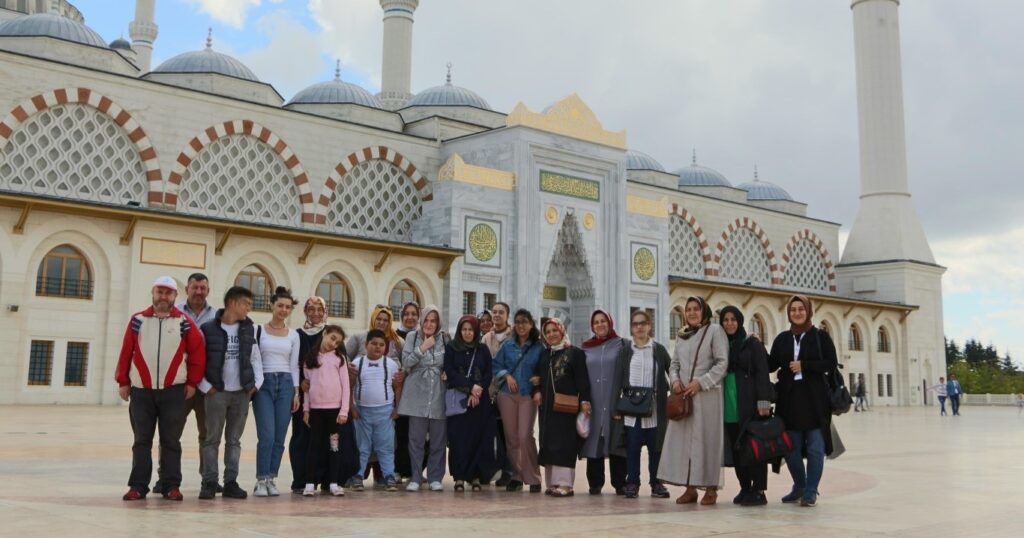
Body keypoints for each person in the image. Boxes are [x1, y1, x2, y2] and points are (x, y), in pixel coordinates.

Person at [116, 276, 206, 501]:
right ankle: (138, 486)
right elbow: (127, 351)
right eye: (160, 292)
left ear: (176, 296)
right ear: (153, 294)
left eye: (168, 293)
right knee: (141, 441)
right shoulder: (137, 320)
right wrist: (123, 381)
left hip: (173, 392)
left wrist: (192, 382)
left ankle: (171, 486)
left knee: (171, 442)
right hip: (141, 391)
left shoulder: (184, 323)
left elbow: (197, 353)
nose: (163, 297)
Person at [768, 295, 838, 508]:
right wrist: (752, 344)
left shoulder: (820, 337)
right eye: (793, 310)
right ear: (789, 313)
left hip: (815, 402)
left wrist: (804, 365)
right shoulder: (782, 339)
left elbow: (831, 363)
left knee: (816, 448)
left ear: (808, 311)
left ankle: (810, 490)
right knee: (791, 447)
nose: (797, 313)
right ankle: (799, 485)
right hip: (789, 402)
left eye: (801, 309)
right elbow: (771, 364)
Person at [660, 296, 728, 506]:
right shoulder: (682, 335)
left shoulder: (715, 331)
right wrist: (675, 382)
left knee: (707, 442)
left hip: (707, 397)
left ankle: (710, 488)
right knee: (685, 445)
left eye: (695, 309)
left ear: (703, 311)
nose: (691, 313)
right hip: (684, 397)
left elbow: (721, 363)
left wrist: (701, 382)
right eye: (688, 309)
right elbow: (674, 364)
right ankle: (690, 489)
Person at [153, 272, 216, 496]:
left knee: (208, 435)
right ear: (186, 289)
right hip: (179, 384)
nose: (199, 292)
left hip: (207, 386)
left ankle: (208, 478)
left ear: (208, 290)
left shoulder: (217, 316)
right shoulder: (173, 312)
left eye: (203, 288)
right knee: (170, 433)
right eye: (195, 287)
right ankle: (164, 477)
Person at [198, 286, 263, 500]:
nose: (248, 309)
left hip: (241, 394)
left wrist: (255, 385)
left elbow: (255, 358)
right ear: (233, 303)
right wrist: (206, 387)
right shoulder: (208, 329)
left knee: (234, 441)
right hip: (217, 393)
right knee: (211, 440)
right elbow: (198, 361)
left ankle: (230, 482)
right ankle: (209, 482)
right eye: (246, 304)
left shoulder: (248, 329)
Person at [610, 309, 671, 499]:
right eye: (635, 324)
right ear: (631, 327)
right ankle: (633, 482)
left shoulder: (658, 350)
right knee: (633, 447)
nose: (639, 327)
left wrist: (677, 386)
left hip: (653, 407)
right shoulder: (626, 350)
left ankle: (656, 483)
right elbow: (617, 379)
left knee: (656, 448)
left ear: (649, 326)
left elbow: (672, 370)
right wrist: (615, 407)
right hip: (631, 407)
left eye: (642, 323)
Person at [718, 306, 774, 507]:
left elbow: (762, 372)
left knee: (755, 449)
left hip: (750, 405)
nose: (730, 323)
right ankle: (745, 487)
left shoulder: (752, 344)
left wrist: (763, 402)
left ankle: (758, 490)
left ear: (740, 321)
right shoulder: (721, 344)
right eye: (726, 319)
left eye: (733, 319)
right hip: (729, 404)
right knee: (737, 449)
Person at [533, 318, 591, 497]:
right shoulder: (545, 354)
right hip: (547, 409)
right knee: (549, 443)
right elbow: (537, 376)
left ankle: (565, 485)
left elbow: (583, 380)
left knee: (564, 444)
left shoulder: (575, 353)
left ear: (562, 330)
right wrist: (536, 390)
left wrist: (585, 402)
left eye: (554, 330)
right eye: (548, 332)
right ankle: (552, 483)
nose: (551, 334)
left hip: (567, 408)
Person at [252, 287, 301, 497]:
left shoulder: (293, 335)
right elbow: (254, 359)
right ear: (272, 305)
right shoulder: (258, 330)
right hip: (264, 384)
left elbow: (294, 365)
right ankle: (261, 479)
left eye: (288, 307)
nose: (283, 310)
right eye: (280, 305)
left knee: (280, 436)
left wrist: (296, 392)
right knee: (267, 435)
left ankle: (271, 478)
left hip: (286, 384)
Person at [493, 308, 545, 493]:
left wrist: (539, 379)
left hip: (527, 396)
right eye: (518, 322)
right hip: (507, 395)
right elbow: (496, 365)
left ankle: (533, 476)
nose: (521, 325)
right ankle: (516, 475)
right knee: (512, 438)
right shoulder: (507, 346)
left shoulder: (539, 347)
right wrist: (506, 375)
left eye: (525, 321)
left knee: (525, 436)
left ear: (531, 324)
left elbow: (545, 369)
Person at [398, 304, 449, 492]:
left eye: (433, 321)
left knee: (438, 440)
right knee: (415, 440)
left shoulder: (444, 339)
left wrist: (447, 373)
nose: (429, 324)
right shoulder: (412, 337)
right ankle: (416, 477)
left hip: (438, 392)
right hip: (416, 392)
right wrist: (422, 348)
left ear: (438, 323)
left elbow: (450, 362)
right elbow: (406, 364)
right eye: (426, 320)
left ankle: (435, 477)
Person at [444, 315, 497, 491]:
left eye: (470, 330)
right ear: (460, 331)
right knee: (459, 439)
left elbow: (489, 372)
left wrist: (479, 389)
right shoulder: (451, 348)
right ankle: (459, 477)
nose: (467, 333)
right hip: (459, 401)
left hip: (479, 403)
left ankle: (475, 476)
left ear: (475, 331)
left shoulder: (482, 349)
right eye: (464, 329)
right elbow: (450, 371)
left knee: (478, 438)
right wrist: (470, 388)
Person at [580, 309, 628, 496]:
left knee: (616, 440)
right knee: (594, 442)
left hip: (614, 400)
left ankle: (619, 482)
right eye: (596, 322)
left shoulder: (622, 345)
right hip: (593, 402)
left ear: (610, 323)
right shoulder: (586, 347)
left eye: (603, 321)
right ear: (592, 326)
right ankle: (595, 483)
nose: (600, 325)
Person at [350, 329, 403, 492]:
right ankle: (357, 476)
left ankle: (388, 476)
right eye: (373, 344)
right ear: (366, 345)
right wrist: (352, 407)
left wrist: (397, 407)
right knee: (362, 446)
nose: (377, 347)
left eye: (381, 345)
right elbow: (350, 386)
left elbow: (398, 386)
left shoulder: (391, 364)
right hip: (362, 413)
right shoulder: (357, 363)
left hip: (385, 412)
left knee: (385, 446)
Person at [301, 324, 351, 497]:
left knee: (334, 447)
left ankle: (333, 483)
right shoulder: (309, 359)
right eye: (332, 338)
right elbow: (306, 388)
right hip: (316, 411)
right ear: (324, 334)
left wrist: (344, 411)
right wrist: (306, 409)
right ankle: (309, 483)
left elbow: (346, 386)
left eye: (337, 342)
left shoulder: (340, 359)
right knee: (314, 446)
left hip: (334, 412)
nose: (333, 343)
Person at [289, 296, 328, 493]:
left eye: (319, 309)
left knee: (323, 438)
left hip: (326, 397)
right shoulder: (297, 335)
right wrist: (300, 383)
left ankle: (322, 478)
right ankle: (301, 479)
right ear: (305, 311)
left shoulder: (330, 334)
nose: (315, 313)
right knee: (301, 437)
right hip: (303, 396)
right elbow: (293, 362)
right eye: (311, 309)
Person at [481, 301, 515, 487]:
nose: (496, 315)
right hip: (490, 392)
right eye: (494, 312)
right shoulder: (486, 338)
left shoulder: (515, 336)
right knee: (491, 433)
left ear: (507, 315)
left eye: (501, 312)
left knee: (507, 433)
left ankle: (509, 471)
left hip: (510, 392)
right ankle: (491, 469)